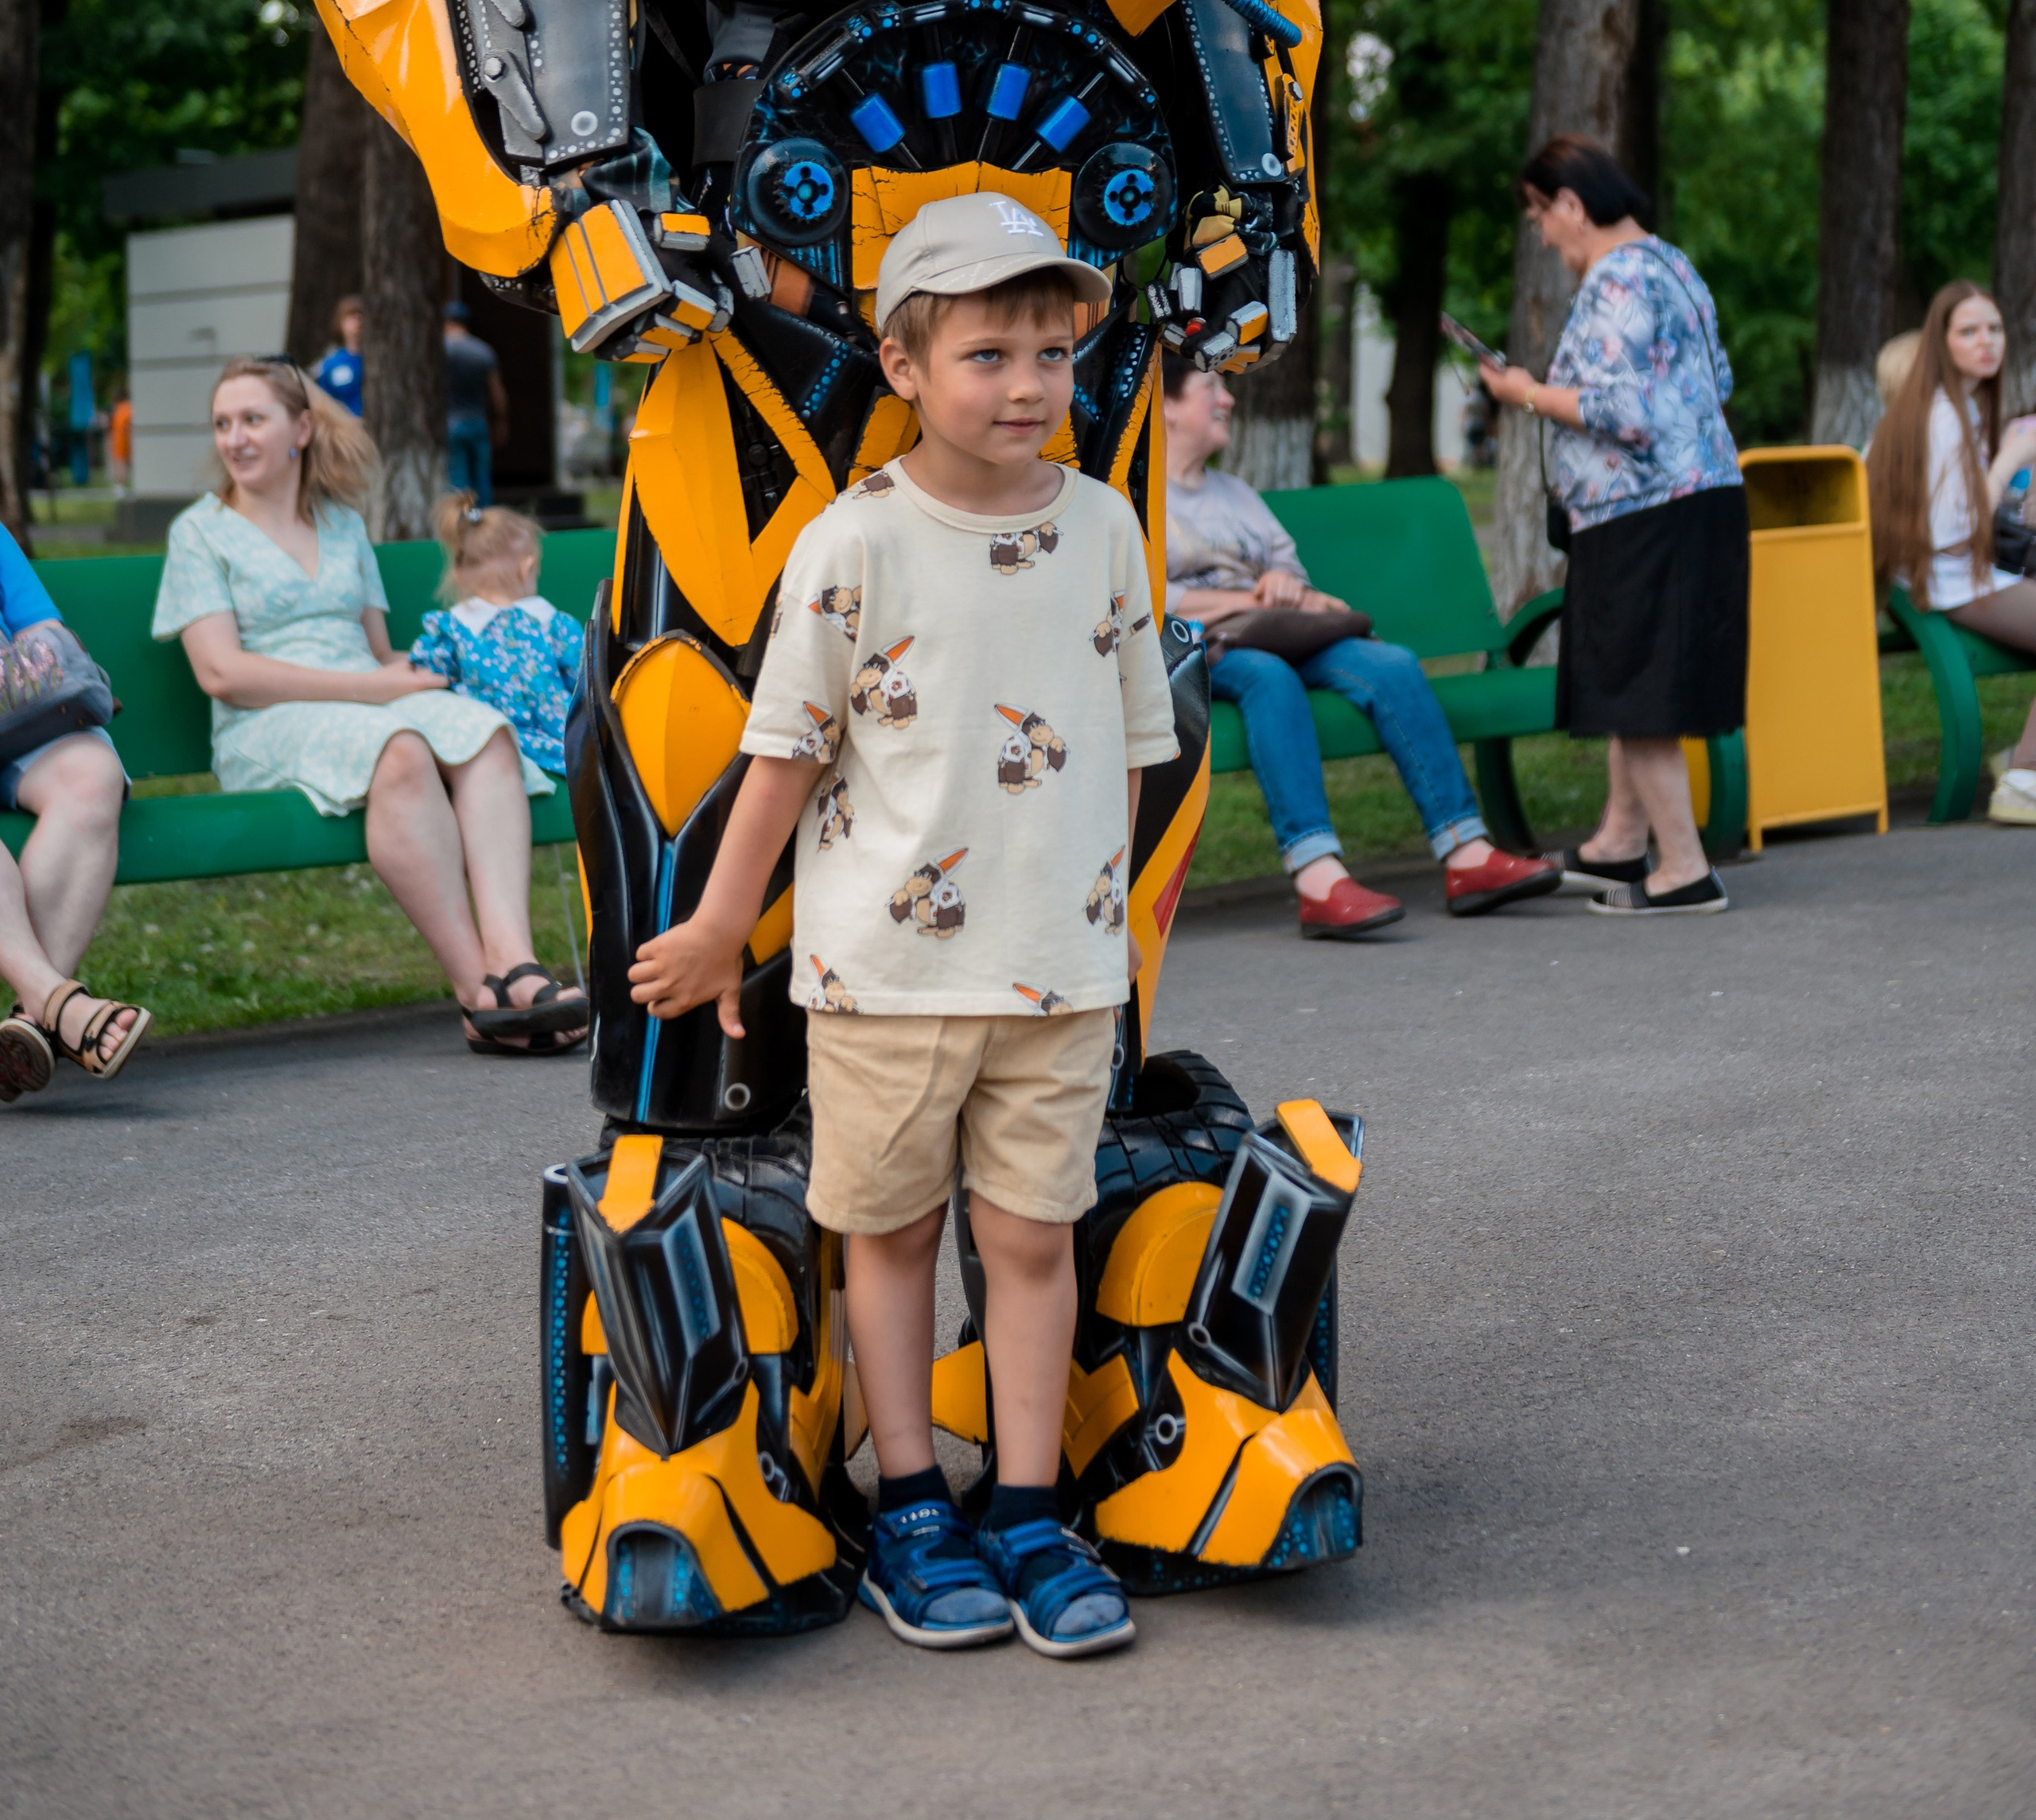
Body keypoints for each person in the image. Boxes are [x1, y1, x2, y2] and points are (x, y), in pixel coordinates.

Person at [628, 193, 1179, 1659]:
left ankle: (1028, 1506)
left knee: (1030, 1237)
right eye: (990, 354)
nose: (1027, 386)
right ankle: (915, 1507)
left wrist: (1104, 931)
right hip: (886, 975)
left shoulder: (1107, 527)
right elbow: (787, 751)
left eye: (1054, 354)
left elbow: (1135, 744)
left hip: (1056, 976)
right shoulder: (851, 543)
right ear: (904, 366)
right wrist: (717, 927)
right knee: (891, 1231)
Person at [152, 357, 586, 1053]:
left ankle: (516, 965)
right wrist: (375, 690)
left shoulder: (342, 522)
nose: (234, 438)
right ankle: (479, 992)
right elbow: (222, 673)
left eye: (252, 419)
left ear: (300, 428)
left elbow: (377, 651)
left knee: (485, 733)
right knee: (403, 749)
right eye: (223, 423)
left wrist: (444, 671)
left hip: (365, 704)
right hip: (267, 723)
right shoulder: (200, 532)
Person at [1162, 355, 1558, 930]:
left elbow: (1291, 573)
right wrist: (1253, 599)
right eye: (1209, 389)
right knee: (1269, 678)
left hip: (1281, 630)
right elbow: (1151, 597)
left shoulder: (1236, 492)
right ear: (1167, 407)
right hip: (1208, 646)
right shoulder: (1141, 497)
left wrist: (1282, 587)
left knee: (1390, 662)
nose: (1227, 400)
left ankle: (1467, 853)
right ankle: (1318, 877)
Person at [1478, 136, 1746, 915]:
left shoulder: (1614, 278)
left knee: (1637, 685)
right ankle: (1620, 844)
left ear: (1569, 202)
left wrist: (1524, 391)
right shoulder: (1671, 264)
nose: (1540, 233)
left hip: (1642, 512)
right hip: (1697, 497)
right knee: (1638, 674)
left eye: (1538, 214)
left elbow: (1621, 411)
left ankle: (1684, 870)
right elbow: (1716, 379)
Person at [1863, 280, 2036, 826]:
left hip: (1948, 578)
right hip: (1945, 584)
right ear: (1940, 342)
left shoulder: (1952, 408)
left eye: (1994, 329)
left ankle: (2018, 762)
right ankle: (2023, 778)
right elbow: (1949, 534)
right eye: (1969, 331)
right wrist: (2009, 462)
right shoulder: (1940, 418)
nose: (1987, 341)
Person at [0, 525, 146, 1099]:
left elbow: (45, 634)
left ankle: (29, 1026)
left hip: (9, 712)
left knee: (92, 776)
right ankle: (57, 1004)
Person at [411, 495, 583, 773]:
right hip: (562, 741)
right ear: (528, 570)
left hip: (485, 744)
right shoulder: (553, 625)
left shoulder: (451, 629)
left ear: (458, 575)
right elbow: (586, 681)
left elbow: (427, 676)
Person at [443, 302, 509, 509]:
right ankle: (485, 523)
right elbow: (496, 392)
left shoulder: (440, 351)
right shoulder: (482, 351)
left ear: (446, 322)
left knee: (458, 479)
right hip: (478, 421)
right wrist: (501, 420)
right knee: (482, 478)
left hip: (451, 422)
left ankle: (463, 523)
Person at [312, 295, 364, 417]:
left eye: (361, 316)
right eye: (351, 316)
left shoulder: (376, 362)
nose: (358, 321)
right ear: (340, 323)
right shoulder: (332, 363)